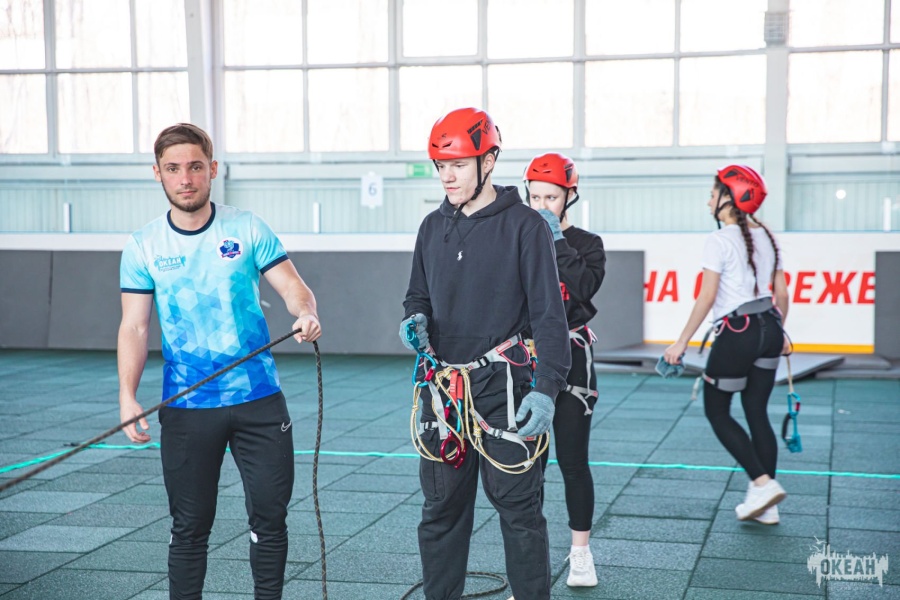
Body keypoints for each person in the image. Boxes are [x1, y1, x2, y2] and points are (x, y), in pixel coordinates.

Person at [117, 123, 321, 600]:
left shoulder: (247, 228)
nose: (185, 178)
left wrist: (305, 312)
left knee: (270, 519)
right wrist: (127, 396)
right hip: (188, 407)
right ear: (158, 174)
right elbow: (135, 327)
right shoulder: (144, 245)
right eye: (173, 169)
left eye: (194, 167)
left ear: (211, 169)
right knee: (189, 526)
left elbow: (294, 287)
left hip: (259, 401)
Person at [401, 107, 571, 600]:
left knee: (519, 512)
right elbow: (417, 296)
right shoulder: (431, 227)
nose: (447, 176)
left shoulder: (525, 226)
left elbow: (549, 316)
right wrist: (415, 320)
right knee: (440, 512)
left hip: (506, 391)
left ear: (489, 161)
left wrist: (547, 390)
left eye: (458, 164)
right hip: (444, 394)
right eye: (441, 166)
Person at [663, 165, 790, 525]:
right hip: (770, 326)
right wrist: (780, 333)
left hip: (738, 331)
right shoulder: (768, 236)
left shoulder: (718, 240)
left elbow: (707, 297)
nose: (708, 201)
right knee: (757, 412)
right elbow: (781, 295)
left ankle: (763, 484)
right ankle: (766, 505)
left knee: (717, 411)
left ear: (729, 198)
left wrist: (681, 343)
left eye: (712, 194)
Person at [525, 153, 605, 586]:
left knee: (572, 461)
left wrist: (556, 238)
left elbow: (585, 288)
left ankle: (581, 554)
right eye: (535, 197)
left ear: (570, 196)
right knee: (528, 466)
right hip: (527, 360)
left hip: (573, 358)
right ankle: (530, 560)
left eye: (551, 198)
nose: (542, 206)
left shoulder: (588, 244)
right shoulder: (519, 237)